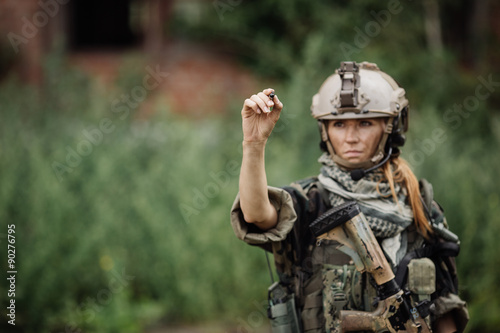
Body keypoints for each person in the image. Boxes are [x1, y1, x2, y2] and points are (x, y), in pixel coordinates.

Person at [230, 61, 469, 333]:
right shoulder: (310, 202)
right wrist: (253, 144)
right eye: (339, 124)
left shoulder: (419, 204)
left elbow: (446, 305)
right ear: (325, 131)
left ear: (391, 127)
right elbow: (256, 214)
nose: (351, 137)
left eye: (365, 123)